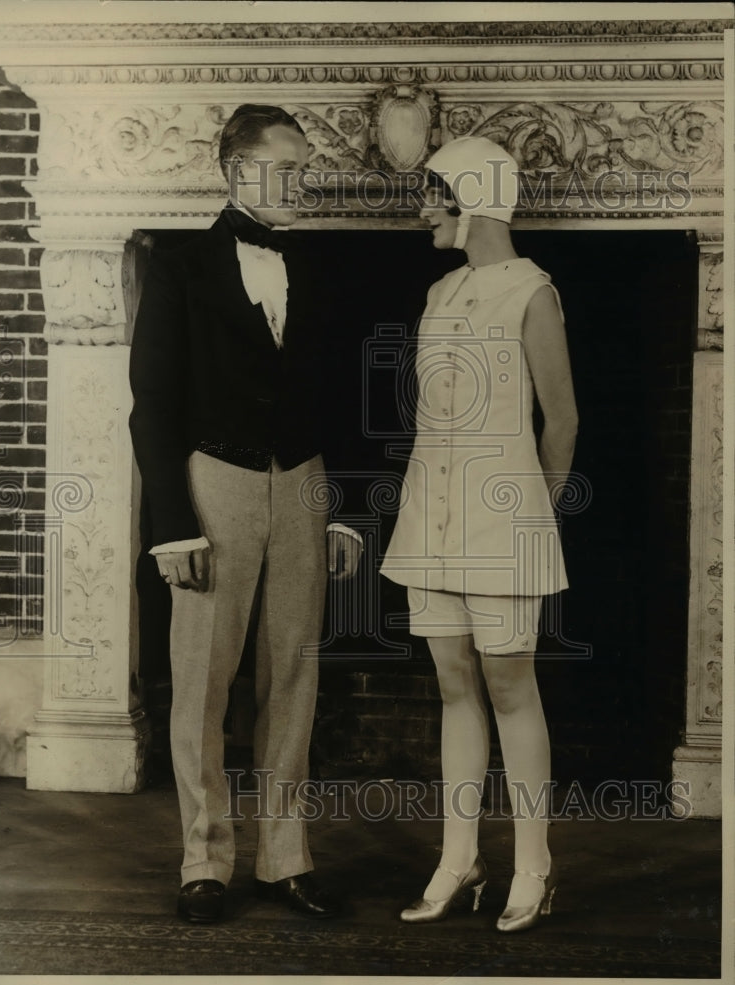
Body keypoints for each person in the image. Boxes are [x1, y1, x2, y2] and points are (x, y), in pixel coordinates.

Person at [129, 104, 362, 924]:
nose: (303, 181)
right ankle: (205, 861)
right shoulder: (181, 267)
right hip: (210, 486)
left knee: (294, 675)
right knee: (201, 683)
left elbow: (343, 394)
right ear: (234, 171)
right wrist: (171, 524)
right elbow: (151, 404)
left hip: (303, 481)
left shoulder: (321, 269)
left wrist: (344, 512)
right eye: (287, 166)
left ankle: (285, 857)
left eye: (305, 167)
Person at [380, 136, 578, 932]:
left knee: (509, 686)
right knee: (453, 685)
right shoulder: (438, 293)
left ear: (473, 198)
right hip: (431, 506)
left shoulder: (534, 292)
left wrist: (531, 517)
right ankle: (459, 860)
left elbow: (560, 421)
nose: (424, 208)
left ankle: (534, 866)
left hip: (504, 514)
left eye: (435, 193)